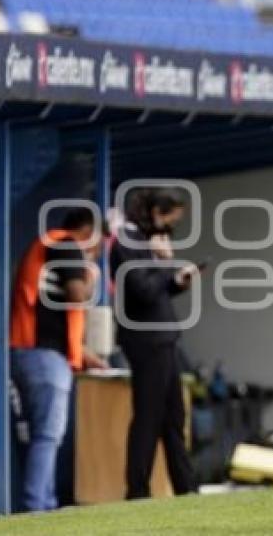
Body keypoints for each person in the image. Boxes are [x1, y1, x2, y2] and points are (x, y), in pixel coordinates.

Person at [9, 207, 108, 511]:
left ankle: (44, 506)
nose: (95, 251)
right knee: (47, 436)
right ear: (87, 231)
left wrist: (84, 355)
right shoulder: (66, 245)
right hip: (44, 357)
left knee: (43, 435)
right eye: (97, 244)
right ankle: (38, 509)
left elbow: (55, 312)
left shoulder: (49, 245)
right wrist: (90, 271)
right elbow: (78, 294)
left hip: (31, 352)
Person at [110, 188, 199, 500]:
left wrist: (176, 281)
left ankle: (186, 488)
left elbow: (157, 291)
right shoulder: (126, 242)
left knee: (174, 417)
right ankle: (137, 491)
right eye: (168, 221)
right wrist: (163, 263)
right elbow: (143, 291)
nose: (168, 230)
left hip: (164, 338)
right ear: (155, 213)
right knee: (148, 416)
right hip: (145, 340)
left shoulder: (145, 243)